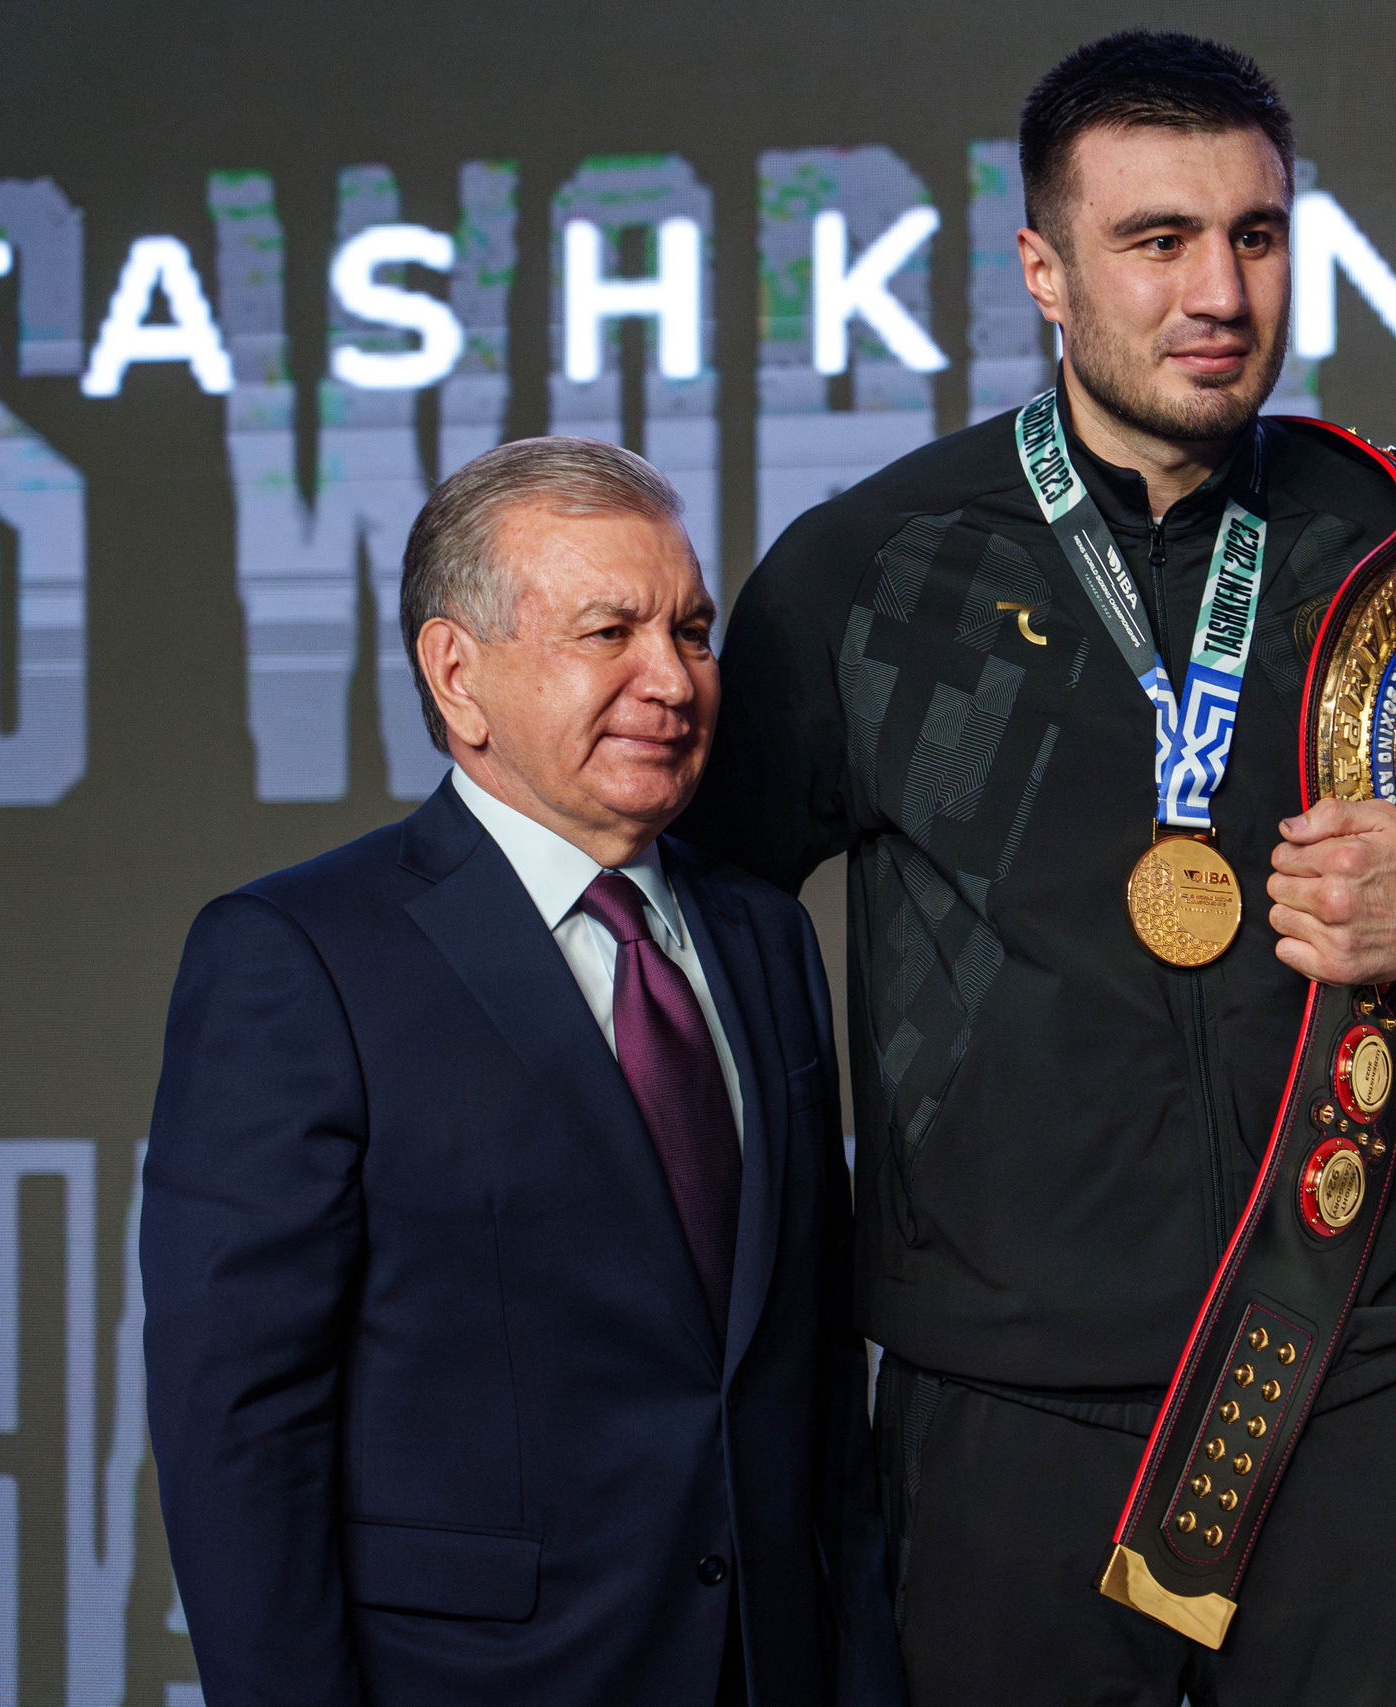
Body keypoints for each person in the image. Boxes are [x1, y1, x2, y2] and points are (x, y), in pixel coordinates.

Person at [675, 30, 1396, 1707]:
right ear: (1045, 269)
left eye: (1254, 234)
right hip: (1005, 1427)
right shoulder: (868, 574)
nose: (1216, 291)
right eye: (1155, 242)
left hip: (1356, 1402)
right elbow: (699, 946)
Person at [144, 438, 895, 1706]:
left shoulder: (765, 936)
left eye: (694, 631)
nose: (674, 680)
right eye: (611, 632)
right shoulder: (298, 958)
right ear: (458, 674)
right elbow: (241, 1433)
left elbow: (813, 1385)